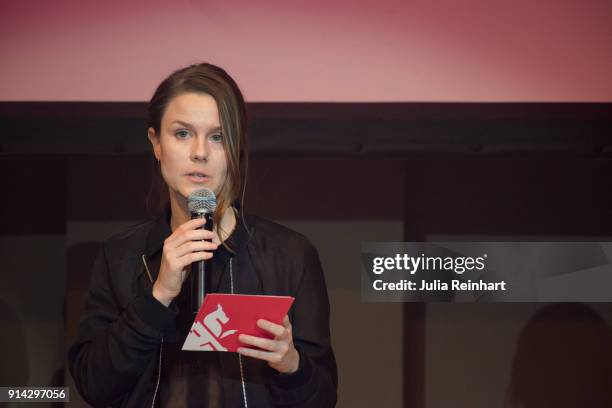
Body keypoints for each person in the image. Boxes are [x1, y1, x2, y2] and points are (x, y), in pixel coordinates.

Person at [68, 63, 338, 407]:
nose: (200, 152)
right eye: (182, 133)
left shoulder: (289, 254)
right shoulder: (121, 255)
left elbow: (324, 397)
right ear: (156, 143)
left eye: (218, 136)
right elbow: (94, 386)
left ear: (235, 149)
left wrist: (291, 364)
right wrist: (158, 296)